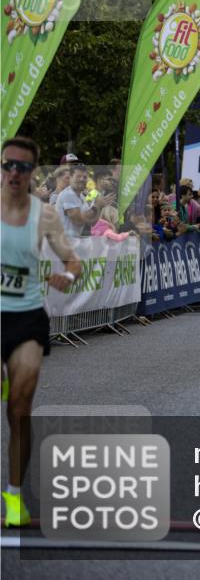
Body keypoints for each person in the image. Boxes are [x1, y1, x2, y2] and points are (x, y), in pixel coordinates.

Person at [1, 137, 82, 527]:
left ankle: (14, 497)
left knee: (19, 412)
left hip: (27, 317)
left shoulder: (46, 215)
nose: (13, 173)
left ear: (34, 173)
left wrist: (65, 276)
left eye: (21, 167)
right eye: (7, 166)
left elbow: (72, 261)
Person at [56, 165, 110, 238]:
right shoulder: (68, 194)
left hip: (73, 240)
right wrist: (96, 206)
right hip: (64, 240)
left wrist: (100, 207)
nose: (82, 179)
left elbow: (92, 222)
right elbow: (78, 221)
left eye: (84, 177)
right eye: (78, 176)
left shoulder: (82, 196)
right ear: (71, 178)